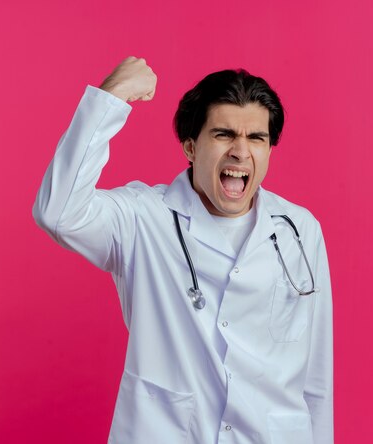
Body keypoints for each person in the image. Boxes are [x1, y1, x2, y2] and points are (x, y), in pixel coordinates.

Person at [33, 56, 333, 444]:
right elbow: (57, 212)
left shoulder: (299, 230)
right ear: (191, 147)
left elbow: (315, 379)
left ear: (270, 149)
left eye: (256, 138)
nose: (241, 152)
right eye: (224, 134)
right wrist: (111, 97)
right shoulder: (143, 219)